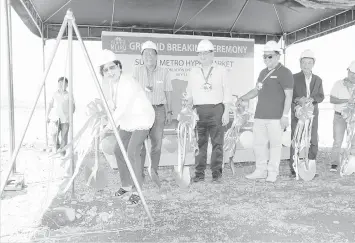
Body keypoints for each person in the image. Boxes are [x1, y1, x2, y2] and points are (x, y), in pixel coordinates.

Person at [100, 49, 155, 206]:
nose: (110, 72)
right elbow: (113, 105)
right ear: (103, 73)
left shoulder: (127, 81)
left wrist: (107, 128)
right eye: (106, 70)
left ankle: (137, 191)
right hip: (127, 121)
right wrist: (104, 118)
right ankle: (126, 186)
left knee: (132, 152)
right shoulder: (112, 85)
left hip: (142, 120)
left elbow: (122, 107)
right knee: (118, 150)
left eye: (112, 68)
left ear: (119, 67)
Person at [238, 40, 294, 182]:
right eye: (264, 56)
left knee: (275, 145)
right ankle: (260, 170)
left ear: (277, 56)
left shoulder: (285, 73)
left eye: (269, 56)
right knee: (259, 144)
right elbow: (256, 90)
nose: (266, 59)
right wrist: (242, 98)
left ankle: (272, 172)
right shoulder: (263, 72)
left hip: (276, 117)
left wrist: (285, 116)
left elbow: (289, 96)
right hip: (260, 116)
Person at [185, 39, 232, 183]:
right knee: (199, 144)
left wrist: (226, 111)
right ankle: (199, 174)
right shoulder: (193, 71)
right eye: (200, 53)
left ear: (212, 54)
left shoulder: (221, 70)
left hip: (216, 109)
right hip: (198, 111)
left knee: (217, 143)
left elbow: (227, 91)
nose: (202, 56)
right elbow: (189, 93)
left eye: (205, 53)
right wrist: (187, 109)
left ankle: (216, 174)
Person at [133, 40, 173, 175]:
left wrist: (169, 111)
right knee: (140, 144)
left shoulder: (164, 72)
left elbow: (168, 91)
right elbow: (132, 92)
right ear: (142, 57)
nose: (149, 56)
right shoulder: (136, 71)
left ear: (157, 56)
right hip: (142, 112)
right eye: (146, 53)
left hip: (159, 110)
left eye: (152, 53)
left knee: (157, 143)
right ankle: (139, 173)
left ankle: (154, 170)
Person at [289, 49, 324, 177]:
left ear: (313, 63)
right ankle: (294, 168)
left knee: (313, 139)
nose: (306, 65)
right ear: (300, 63)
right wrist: (299, 100)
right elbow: (290, 95)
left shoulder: (318, 79)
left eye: (309, 63)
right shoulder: (293, 78)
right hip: (298, 114)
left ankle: (311, 167)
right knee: (296, 139)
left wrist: (312, 99)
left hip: (313, 115)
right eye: (304, 62)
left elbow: (321, 96)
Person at [329, 60, 355, 172]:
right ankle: (334, 164)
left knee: (353, 141)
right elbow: (332, 99)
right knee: (337, 141)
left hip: (353, 117)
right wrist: (347, 100)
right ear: (347, 71)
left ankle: (351, 164)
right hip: (339, 117)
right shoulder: (338, 84)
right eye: (351, 72)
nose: (353, 75)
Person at [46, 76, 75, 156]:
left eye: (64, 84)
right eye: (60, 83)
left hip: (65, 119)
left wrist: (70, 116)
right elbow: (50, 105)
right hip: (55, 118)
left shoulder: (69, 94)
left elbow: (73, 106)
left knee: (64, 137)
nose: (62, 85)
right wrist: (47, 116)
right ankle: (56, 148)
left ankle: (62, 154)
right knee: (54, 134)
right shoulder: (54, 94)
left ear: (67, 85)